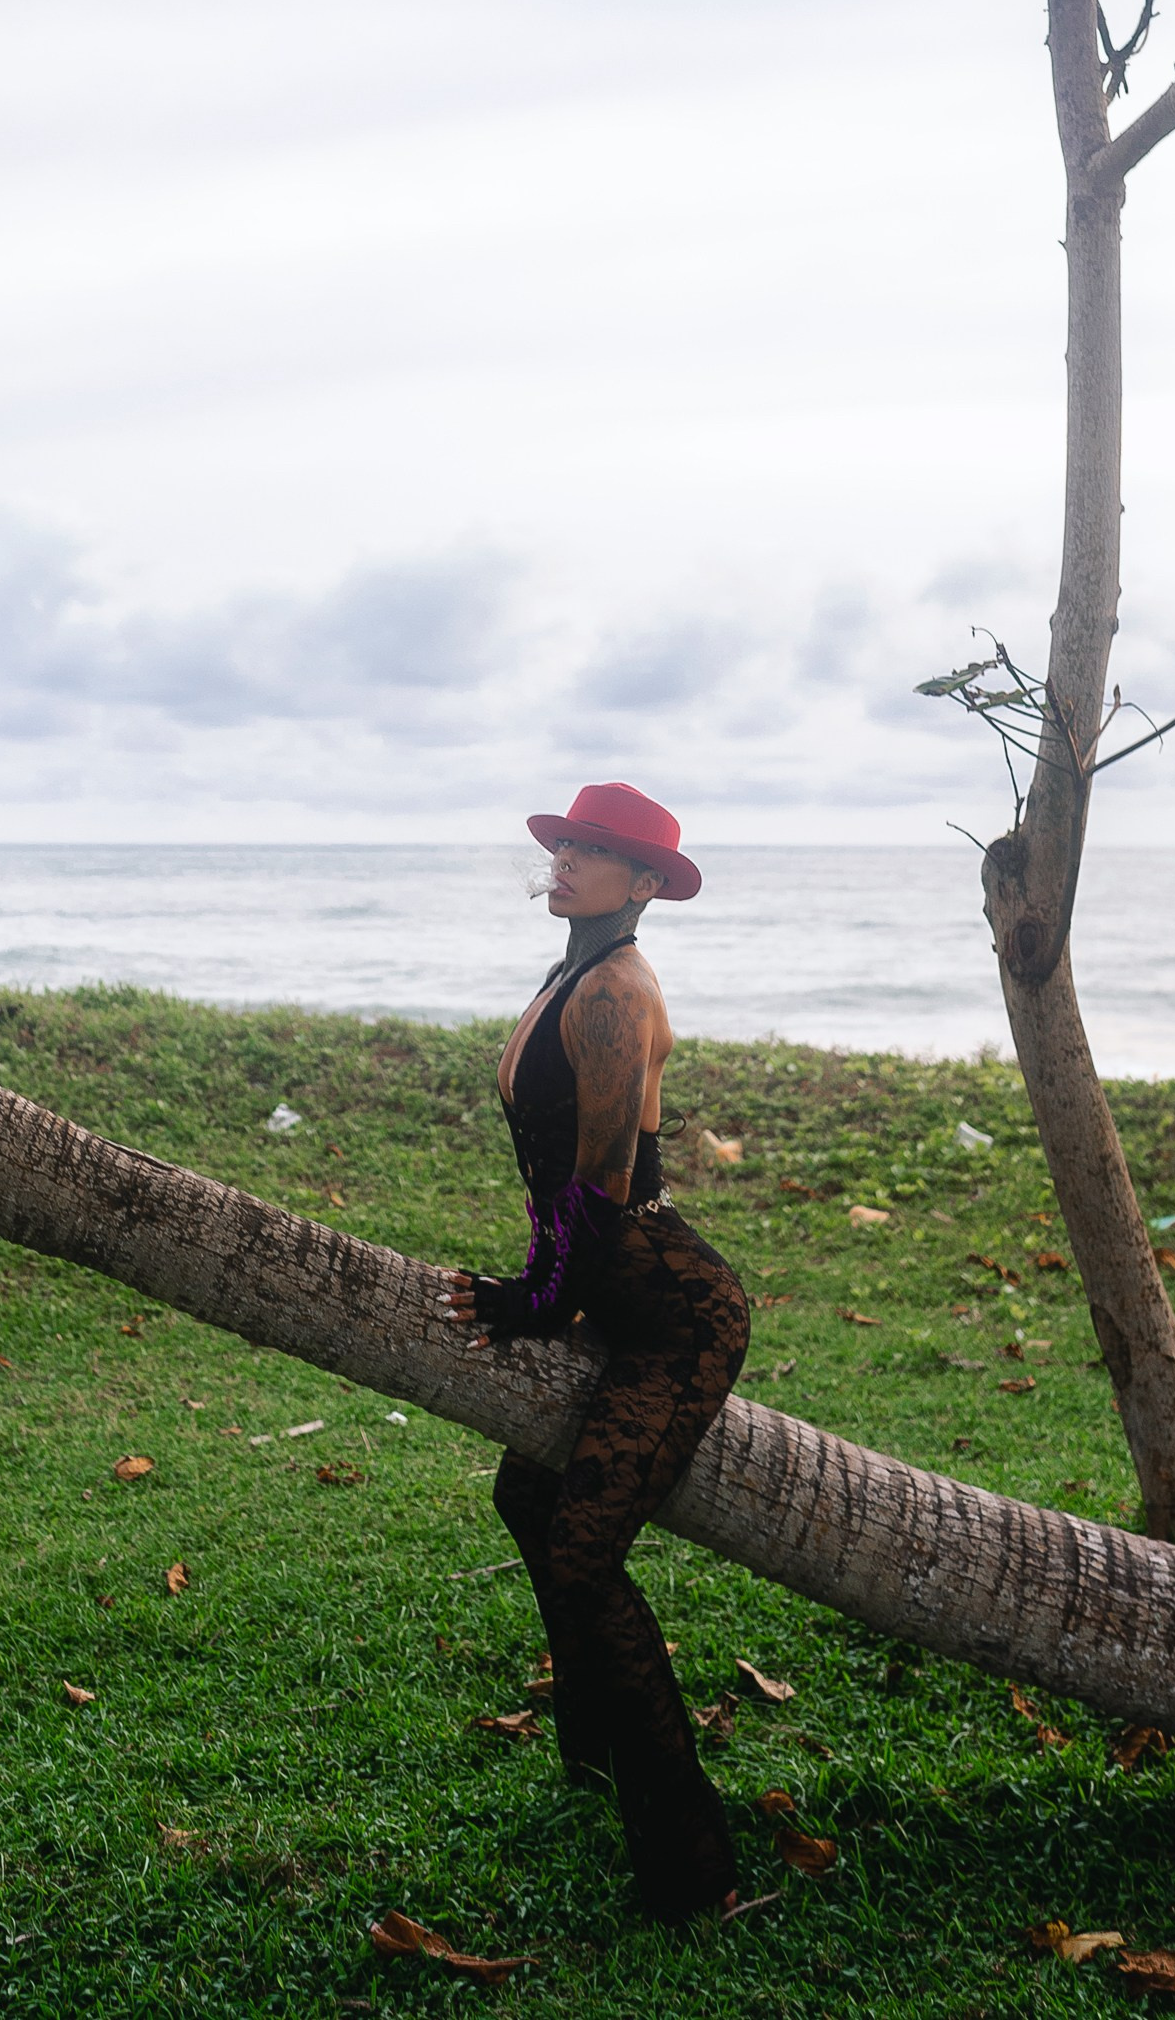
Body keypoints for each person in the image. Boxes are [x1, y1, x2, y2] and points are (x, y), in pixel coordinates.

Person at [440, 782, 749, 1928]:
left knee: (581, 1557)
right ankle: (595, 1763)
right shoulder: (569, 973)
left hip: (675, 1314)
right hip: (614, 1301)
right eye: (567, 841)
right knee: (527, 1492)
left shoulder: (618, 993)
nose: (569, 860)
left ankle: (695, 1872)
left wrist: (537, 1302)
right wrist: (550, 1295)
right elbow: (557, 1185)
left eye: (600, 851)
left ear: (649, 884)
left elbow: (602, 1191)